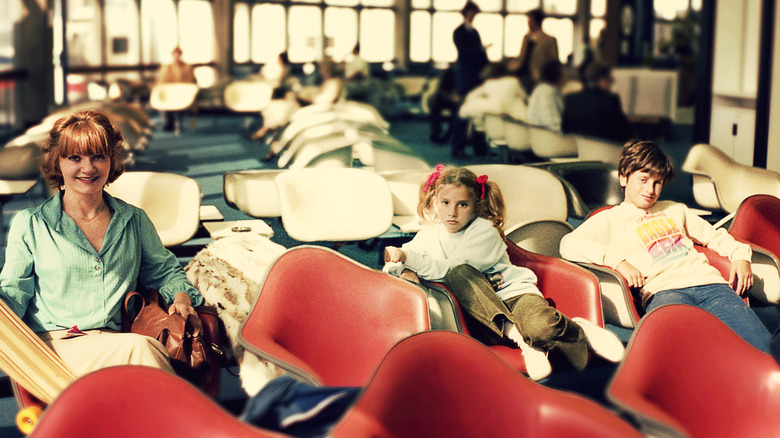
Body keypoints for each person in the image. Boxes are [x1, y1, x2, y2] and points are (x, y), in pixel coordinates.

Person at [0, 109, 204, 377]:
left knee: (140, 352)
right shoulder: (31, 223)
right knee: (141, 350)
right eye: (75, 158)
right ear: (57, 162)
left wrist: (180, 297)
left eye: (98, 156)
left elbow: (165, 272)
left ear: (111, 160)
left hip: (113, 341)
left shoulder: (133, 219)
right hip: (54, 348)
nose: (88, 168)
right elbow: (14, 290)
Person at [383, 165, 624, 380]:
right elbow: (399, 262)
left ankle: (579, 328)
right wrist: (401, 267)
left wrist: (409, 259)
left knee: (540, 327)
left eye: (462, 204)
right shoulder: (428, 235)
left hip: (514, 296)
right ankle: (522, 340)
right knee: (458, 277)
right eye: (446, 203)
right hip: (478, 314)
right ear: (435, 201)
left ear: (476, 206)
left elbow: (450, 268)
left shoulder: (484, 231)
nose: (452, 212)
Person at [559, 140, 772, 354]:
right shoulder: (610, 219)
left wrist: (740, 257)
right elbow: (568, 244)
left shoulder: (674, 209)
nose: (650, 190)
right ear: (624, 177)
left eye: (657, 182)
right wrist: (618, 262)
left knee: (763, 346)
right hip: (663, 291)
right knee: (683, 353)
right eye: (643, 180)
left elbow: (715, 237)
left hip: (712, 285)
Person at [451, 1, 489, 159]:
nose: (473, 15)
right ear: (466, 13)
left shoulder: (474, 32)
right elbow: (464, 53)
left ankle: (479, 147)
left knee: (477, 111)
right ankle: (457, 147)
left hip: (476, 76)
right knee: (463, 112)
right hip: (466, 77)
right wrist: (481, 51)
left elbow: (479, 56)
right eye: (471, 12)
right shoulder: (459, 32)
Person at [562, 61, 633, 142]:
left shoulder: (570, 99)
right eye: (611, 80)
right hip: (606, 152)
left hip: (579, 151)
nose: (611, 84)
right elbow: (625, 132)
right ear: (602, 80)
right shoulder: (610, 100)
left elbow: (565, 129)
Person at [512, 8, 559, 93]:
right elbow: (522, 57)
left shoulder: (549, 40)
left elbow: (553, 61)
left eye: (530, 21)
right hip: (522, 75)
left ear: (537, 21)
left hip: (538, 77)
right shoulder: (526, 38)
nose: (528, 23)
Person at [156, 46, 197, 132]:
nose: (177, 57)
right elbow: (162, 81)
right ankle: (168, 123)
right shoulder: (167, 67)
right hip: (169, 94)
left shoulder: (187, 67)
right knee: (164, 104)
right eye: (175, 55)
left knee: (180, 104)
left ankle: (178, 122)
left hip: (181, 94)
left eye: (178, 55)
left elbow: (192, 81)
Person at [527, 60, 564, 132]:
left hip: (538, 136)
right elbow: (550, 122)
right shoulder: (547, 91)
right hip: (547, 138)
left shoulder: (541, 88)